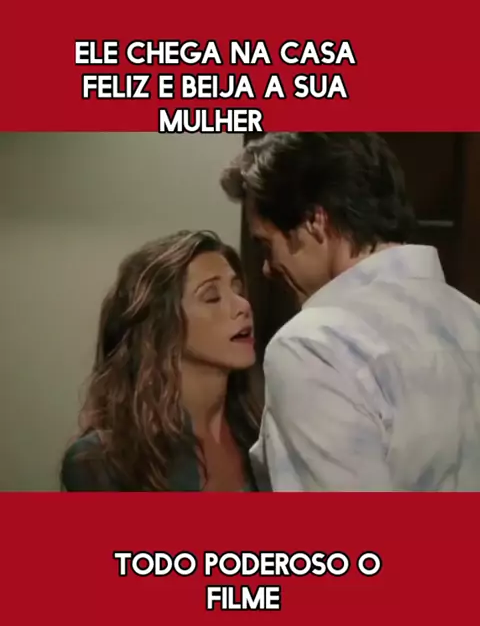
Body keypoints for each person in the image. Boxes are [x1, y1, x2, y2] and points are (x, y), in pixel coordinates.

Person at [221, 132, 480, 491]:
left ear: (314, 222)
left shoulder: (315, 346)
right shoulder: (472, 318)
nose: (267, 268)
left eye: (268, 245)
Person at [61, 230, 266, 491]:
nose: (243, 306)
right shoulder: (102, 462)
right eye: (212, 297)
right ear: (163, 326)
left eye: (238, 290)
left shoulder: (263, 433)